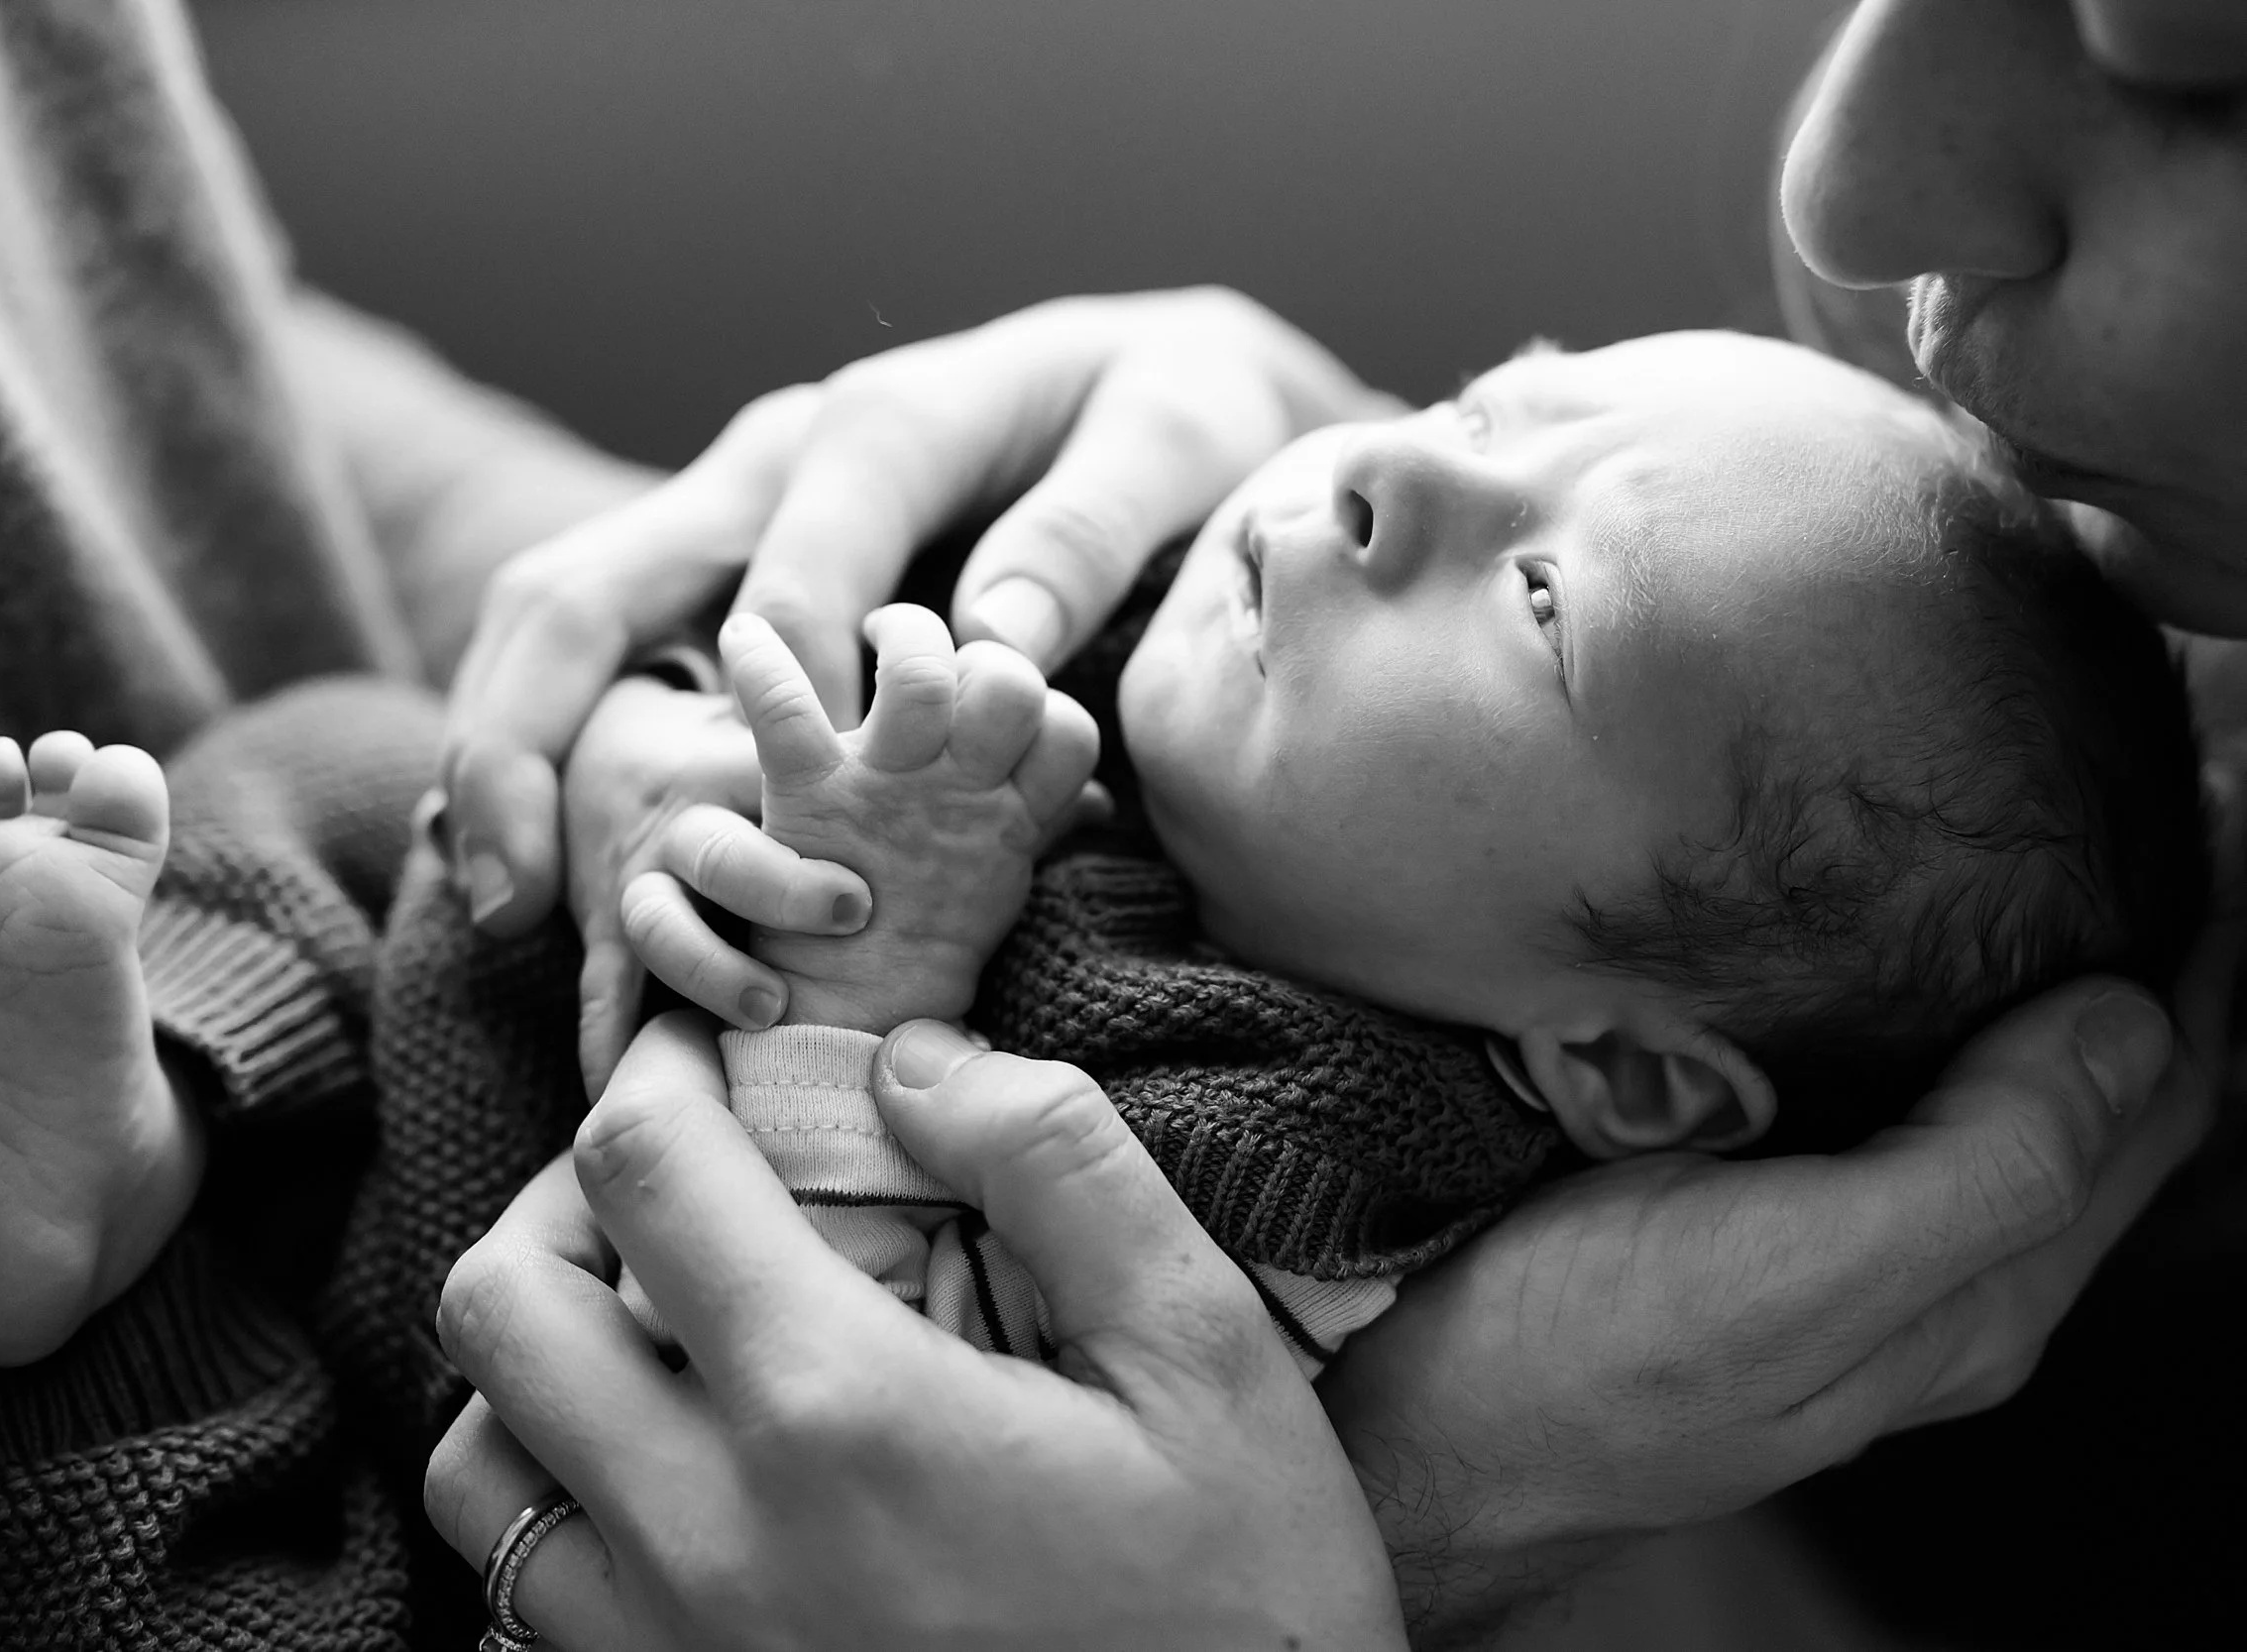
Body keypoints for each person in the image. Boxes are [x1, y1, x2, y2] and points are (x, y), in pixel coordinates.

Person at [424, 2, 2247, 1645]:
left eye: (1543, 606)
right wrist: (684, 699)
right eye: (1480, 397)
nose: (1389, 467)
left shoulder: (1301, 1147)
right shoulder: (1245, 685)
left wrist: (856, 984)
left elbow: (856, 1406)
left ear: (1633, 1076)